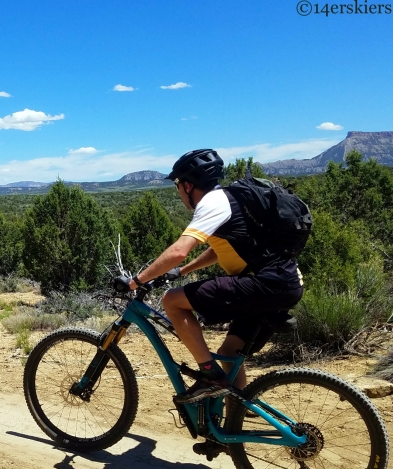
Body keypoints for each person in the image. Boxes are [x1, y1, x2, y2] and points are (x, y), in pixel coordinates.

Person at [125, 149, 304, 404]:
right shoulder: (229, 199)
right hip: (284, 282)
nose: (178, 193)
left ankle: (209, 375)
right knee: (229, 352)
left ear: (187, 185)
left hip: (264, 283)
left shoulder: (211, 202)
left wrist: (136, 281)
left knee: (172, 301)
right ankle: (231, 430)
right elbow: (217, 249)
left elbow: (178, 251)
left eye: (177, 186)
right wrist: (182, 271)